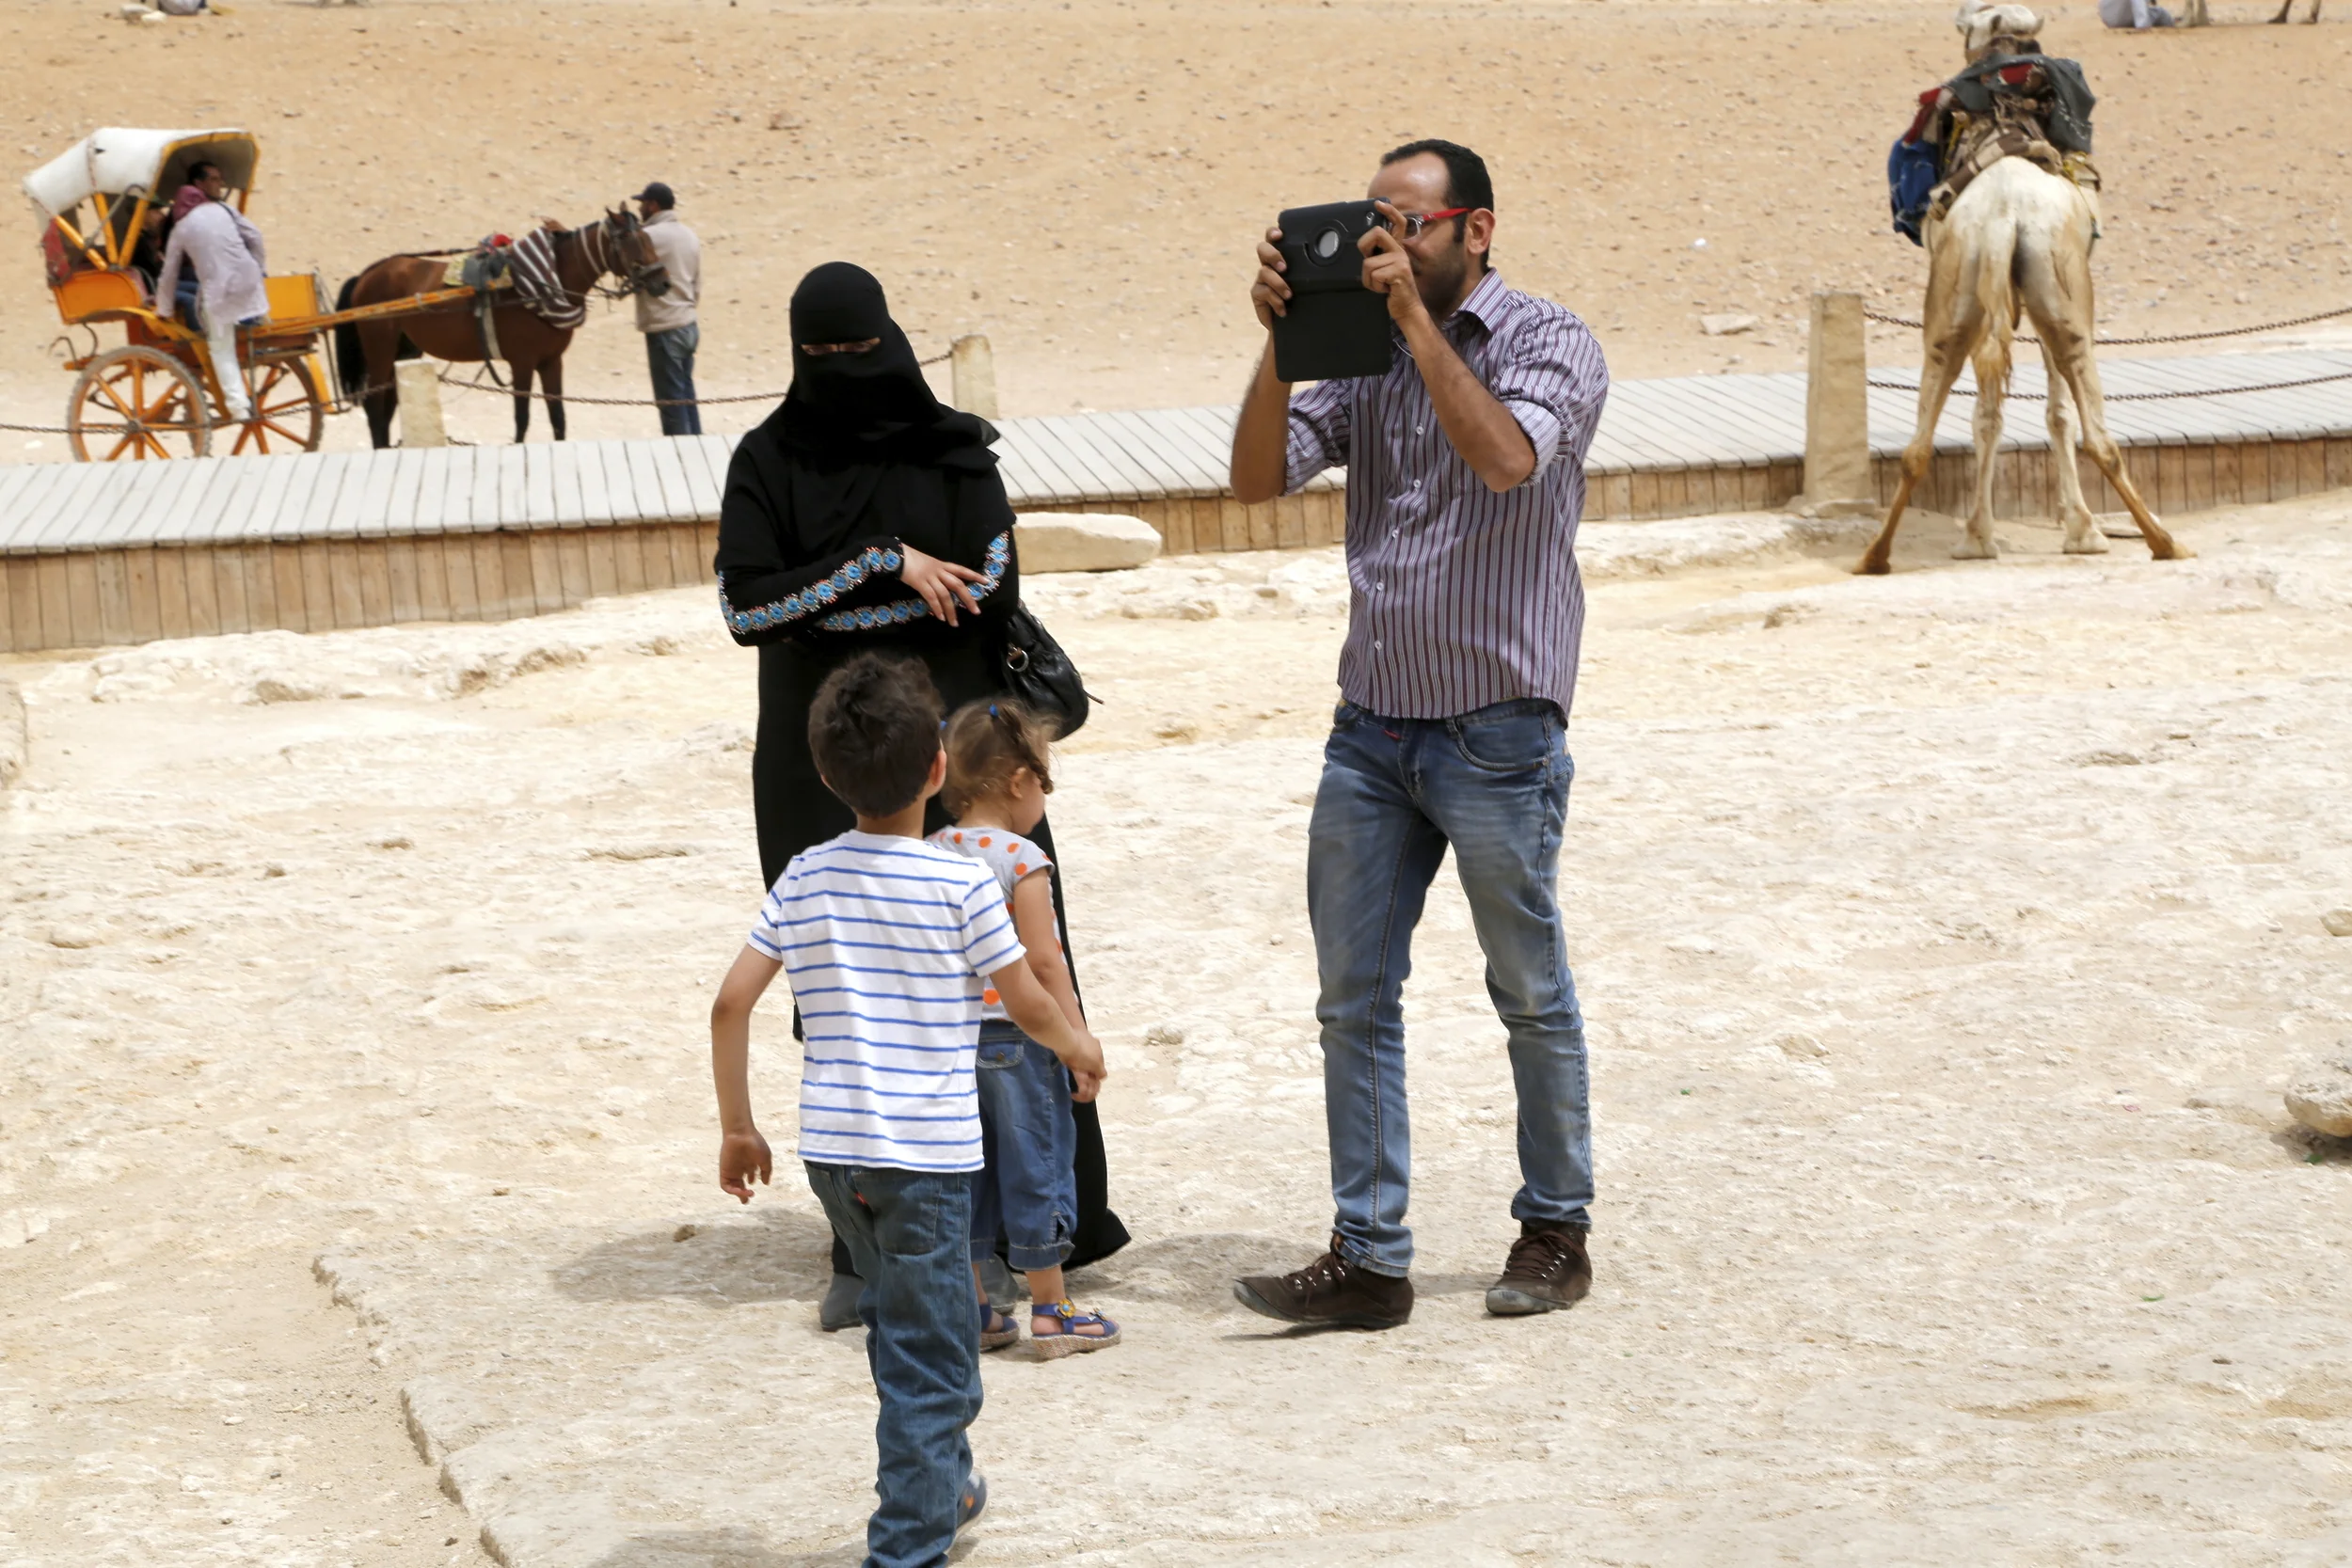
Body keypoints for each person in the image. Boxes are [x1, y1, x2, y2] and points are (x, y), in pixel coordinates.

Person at [1227, 138, 1610, 1327]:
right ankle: (1369, 1255)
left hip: (1497, 726)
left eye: (1409, 222)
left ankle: (1555, 1229)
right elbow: (1250, 481)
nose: (1385, 241)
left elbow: (1504, 459)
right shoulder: (1355, 350)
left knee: (1526, 989)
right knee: (1352, 996)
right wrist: (1284, 341)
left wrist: (1411, 324)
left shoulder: (1553, 341)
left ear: (1474, 230)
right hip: (1371, 728)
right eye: (1369, 222)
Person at [713, 261, 1129, 1334]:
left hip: (961, 764)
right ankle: (874, 1236)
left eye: (861, 350)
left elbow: (988, 583)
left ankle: (1046, 1224)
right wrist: (883, 565)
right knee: (856, 988)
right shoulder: (766, 460)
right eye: (829, 357)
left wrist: (835, 608)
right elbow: (748, 610)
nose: (849, 372)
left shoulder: (956, 448)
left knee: (1014, 975)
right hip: (836, 766)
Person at [707, 651, 1106, 1568]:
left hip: (835, 1156)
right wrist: (1077, 1045)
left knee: (904, 1320)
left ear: (823, 770)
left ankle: (947, 1481)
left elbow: (731, 1001)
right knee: (935, 1362)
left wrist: (738, 1123)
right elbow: (1029, 998)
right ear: (939, 765)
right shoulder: (963, 882)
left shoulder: (805, 873)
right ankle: (906, 1546)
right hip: (922, 1160)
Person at [930, 698, 1122, 1359]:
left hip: (949, 1041)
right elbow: (1043, 959)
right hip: (1018, 1038)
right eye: (1045, 782)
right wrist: (1076, 1037)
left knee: (970, 1171)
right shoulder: (1021, 858)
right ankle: (1051, 1308)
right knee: (1035, 1162)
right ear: (1019, 782)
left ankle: (978, 1307)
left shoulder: (930, 851)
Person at [151, 161, 265, 423]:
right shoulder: (224, 210)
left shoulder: (180, 228)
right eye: (214, 179)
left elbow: (168, 275)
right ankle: (254, 339)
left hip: (220, 290)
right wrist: (259, 269)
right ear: (199, 187)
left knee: (220, 348)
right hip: (249, 279)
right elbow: (255, 237)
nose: (220, 185)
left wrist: (164, 311)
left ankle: (238, 409)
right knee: (243, 315)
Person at [631, 182, 703, 436]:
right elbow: (697, 285)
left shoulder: (649, 237)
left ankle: (679, 458)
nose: (640, 209)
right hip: (689, 324)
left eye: (642, 203)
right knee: (687, 396)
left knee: (670, 403)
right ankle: (697, 449)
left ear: (653, 205)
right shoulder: (690, 235)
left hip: (665, 327)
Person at [2097, 0, 2177, 27]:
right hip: (2120, 19)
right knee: (2160, 13)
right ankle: (2173, 24)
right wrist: (2142, 23)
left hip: (2107, 17)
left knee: (2158, 12)